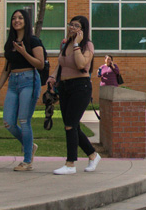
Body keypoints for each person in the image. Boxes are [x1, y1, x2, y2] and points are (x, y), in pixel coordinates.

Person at [0, 9, 46, 171]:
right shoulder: (10, 43)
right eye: (14, 18)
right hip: (13, 83)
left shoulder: (33, 41)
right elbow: (6, 69)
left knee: (23, 120)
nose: (17, 20)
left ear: (26, 21)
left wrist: (23, 52)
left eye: (20, 18)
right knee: (8, 122)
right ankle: (29, 146)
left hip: (29, 81)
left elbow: (40, 64)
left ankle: (27, 160)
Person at [49, 15, 100, 175]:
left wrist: (77, 43)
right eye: (71, 24)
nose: (72, 28)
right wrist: (52, 77)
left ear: (83, 30)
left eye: (76, 25)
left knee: (70, 125)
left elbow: (81, 64)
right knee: (72, 125)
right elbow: (61, 63)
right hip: (65, 86)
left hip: (81, 87)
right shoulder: (65, 44)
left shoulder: (87, 45)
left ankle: (70, 164)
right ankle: (93, 155)